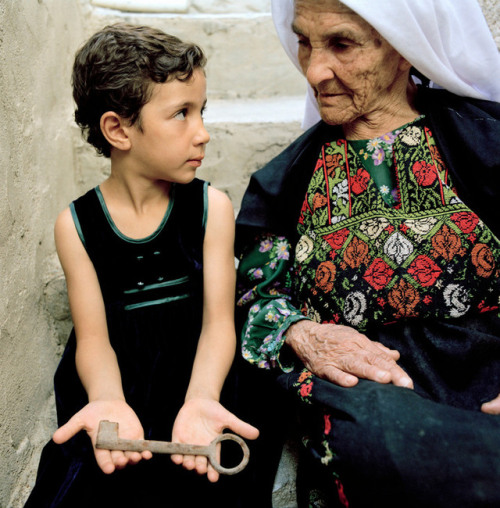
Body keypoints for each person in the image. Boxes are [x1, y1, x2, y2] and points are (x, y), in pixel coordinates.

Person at [235, 0, 500, 506]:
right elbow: (256, 297)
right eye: (305, 42)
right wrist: (301, 331)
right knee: (389, 444)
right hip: (372, 401)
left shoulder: (486, 142)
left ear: (403, 47)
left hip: (488, 375)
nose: (314, 70)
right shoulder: (285, 183)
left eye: (341, 43)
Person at [25, 23, 258, 508]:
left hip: (199, 372)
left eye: (202, 111)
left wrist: (200, 399)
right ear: (118, 129)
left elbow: (218, 326)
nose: (203, 133)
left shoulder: (211, 208)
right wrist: (108, 401)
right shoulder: (76, 225)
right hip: (120, 378)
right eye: (181, 114)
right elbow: (92, 339)